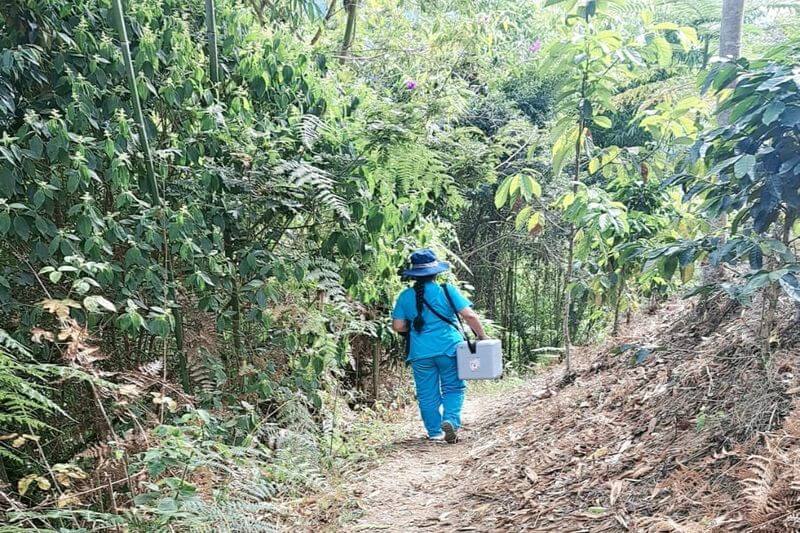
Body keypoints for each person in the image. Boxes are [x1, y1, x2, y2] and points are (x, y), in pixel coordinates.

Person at [391, 248, 488, 444]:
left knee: (427, 393)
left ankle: (434, 432)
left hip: (420, 353)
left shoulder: (405, 296)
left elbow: (398, 326)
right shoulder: (447, 290)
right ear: (436, 272)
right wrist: (482, 336)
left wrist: (417, 326)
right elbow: (469, 315)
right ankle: (450, 420)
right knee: (454, 387)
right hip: (449, 349)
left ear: (414, 275)